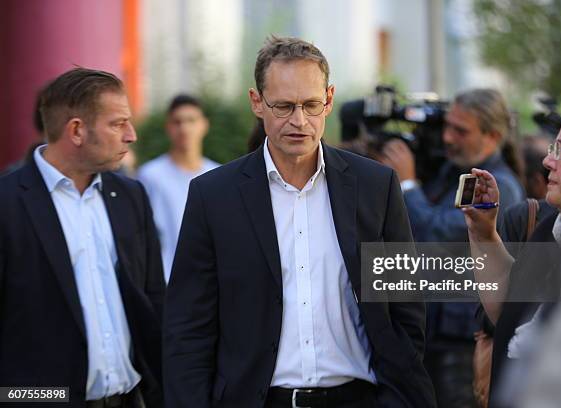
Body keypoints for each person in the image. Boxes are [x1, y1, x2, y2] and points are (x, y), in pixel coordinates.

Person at [164, 36, 435, 408]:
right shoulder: (213, 197)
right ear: (256, 103)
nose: (299, 121)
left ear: (329, 99)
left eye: (310, 104)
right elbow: (188, 328)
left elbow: (406, 307)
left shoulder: (375, 186)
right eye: (284, 106)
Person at [0, 68, 165, 408]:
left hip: (131, 399)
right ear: (76, 130)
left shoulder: (131, 196)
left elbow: (153, 300)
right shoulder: (7, 203)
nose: (131, 135)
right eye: (118, 123)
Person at [463, 92, 561, 407]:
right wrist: (483, 232)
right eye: (552, 148)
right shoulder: (551, 227)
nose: (548, 161)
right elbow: (507, 311)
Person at [382, 88, 525, 408]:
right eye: (446, 126)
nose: (447, 138)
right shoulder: (450, 170)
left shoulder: (495, 183)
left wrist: (407, 184)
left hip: (461, 344)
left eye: (460, 131)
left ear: (492, 135)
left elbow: (438, 236)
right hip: (434, 335)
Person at [138, 95, 220, 281]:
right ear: (168, 127)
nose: (184, 128)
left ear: (204, 125)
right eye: (177, 122)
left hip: (208, 283)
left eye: (191, 120)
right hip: (165, 282)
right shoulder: (150, 176)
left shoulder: (217, 175)